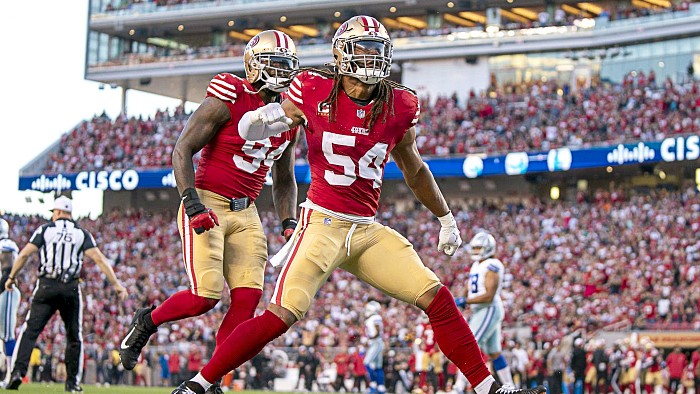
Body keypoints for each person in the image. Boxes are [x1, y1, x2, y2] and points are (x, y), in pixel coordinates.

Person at [173, 15, 546, 394]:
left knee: (437, 296)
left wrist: (445, 217)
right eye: (362, 48)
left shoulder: (400, 103)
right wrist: (262, 120)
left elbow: (415, 169)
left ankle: (490, 390)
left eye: (376, 50)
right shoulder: (311, 87)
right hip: (321, 225)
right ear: (341, 53)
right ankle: (199, 384)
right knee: (280, 316)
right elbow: (265, 124)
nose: (370, 57)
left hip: (365, 229)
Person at [118, 30, 300, 394]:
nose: (281, 72)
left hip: (247, 212)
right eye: (274, 63)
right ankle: (147, 322)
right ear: (254, 66)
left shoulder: (289, 118)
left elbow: (285, 179)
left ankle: (210, 379)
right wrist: (192, 202)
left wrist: (288, 221)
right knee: (206, 296)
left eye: (286, 65)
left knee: (248, 300)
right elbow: (182, 148)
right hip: (208, 201)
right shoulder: (229, 97)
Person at [4, 196, 128, 392]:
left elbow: (25, 254)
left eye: (54, 212)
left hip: (46, 286)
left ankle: (17, 373)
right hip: (70, 288)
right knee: (74, 336)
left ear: (59, 212)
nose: (53, 216)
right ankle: (72, 383)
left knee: (30, 331)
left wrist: (11, 277)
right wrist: (116, 284)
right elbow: (100, 259)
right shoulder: (81, 233)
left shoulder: (45, 230)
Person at [457, 232, 514, 386]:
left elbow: (489, 295)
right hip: (480, 310)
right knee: (494, 352)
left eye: (479, 248)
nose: (476, 251)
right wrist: (459, 298)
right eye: (474, 248)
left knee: (469, 345)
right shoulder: (477, 265)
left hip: (488, 308)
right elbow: (470, 286)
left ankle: (458, 387)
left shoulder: (493, 265)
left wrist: (465, 300)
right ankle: (510, 385)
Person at [0, 219, 20, 382]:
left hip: (6, 291)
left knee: (7, 334)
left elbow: (7, 273)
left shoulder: (6, 246)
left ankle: (10, 375)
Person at [364, 301, 385, 394]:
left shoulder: (374, 317)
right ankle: (380, 386)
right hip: (377, 342)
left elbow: (377, 329)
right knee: (377, 366)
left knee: (366, 362)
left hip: (376, 342)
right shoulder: (374, 318)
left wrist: (371, 338)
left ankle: (373, 384)